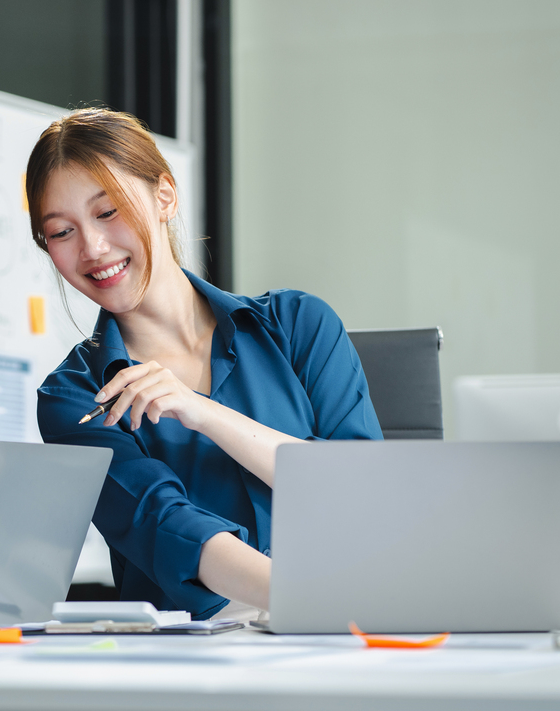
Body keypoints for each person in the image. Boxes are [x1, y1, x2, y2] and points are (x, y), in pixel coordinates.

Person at [27, 108, 382, 618]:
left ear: (164, 196)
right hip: (193, 663)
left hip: (346, 636)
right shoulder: (75, 398)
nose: (93, 248)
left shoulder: (298, 323)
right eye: (61, 232)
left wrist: (204, 413)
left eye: (108, 212)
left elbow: (365, 490)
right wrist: (315, 596)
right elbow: (166, 524)